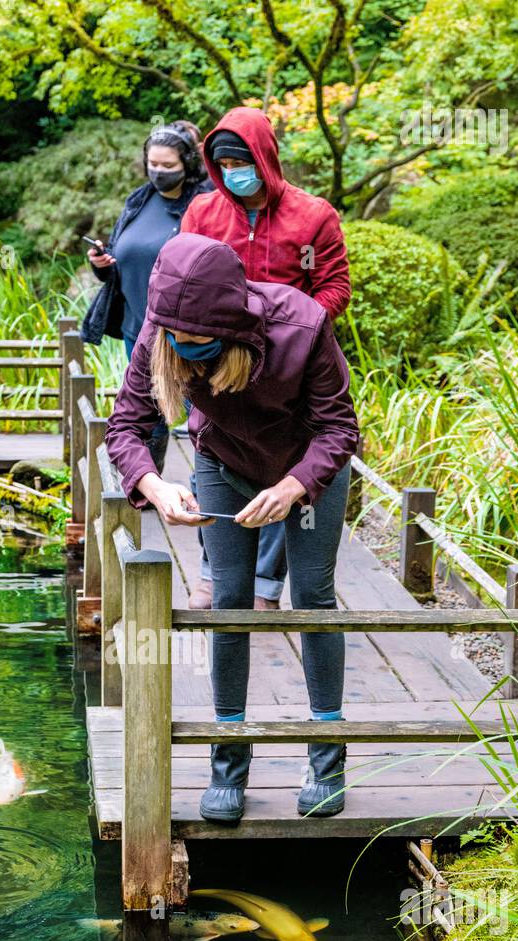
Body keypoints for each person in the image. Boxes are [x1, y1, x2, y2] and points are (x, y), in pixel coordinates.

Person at [105, 232, 359, 823]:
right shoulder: (161, 331)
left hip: (306, 472)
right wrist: (155, 484)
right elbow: (126, 425)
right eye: (176, 339)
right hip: (222, 464)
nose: (185, 348)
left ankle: (326, 756)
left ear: (233, 325)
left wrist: (294, 487)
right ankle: (229, 760)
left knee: (314, 598)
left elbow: (339, 429)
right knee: (228, 603)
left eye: (199, 341)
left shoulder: (301, 326)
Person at [180, 107, 352, 611]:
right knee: (212, 455)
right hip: (217, 365)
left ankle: (265, 585)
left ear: (263, 156)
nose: (233, 170)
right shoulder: (203, 214)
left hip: (292, 371)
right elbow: (184, 280)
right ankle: (214, 572)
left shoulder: (313, 214)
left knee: (287, 464)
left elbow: (335, 284)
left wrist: (300, 332)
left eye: (240, 159)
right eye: (222, 162)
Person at [81, 122, 211, 474]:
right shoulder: (139, 200)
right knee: (147, 409)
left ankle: (210, 488)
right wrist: (102, 264)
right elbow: (121, 260)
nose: (159, 172)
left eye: (168, 166)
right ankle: (149, 485)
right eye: (153, 164)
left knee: (203, 409)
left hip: (188, 330)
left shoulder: (204, 201)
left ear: (187, 163)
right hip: (136, 326)